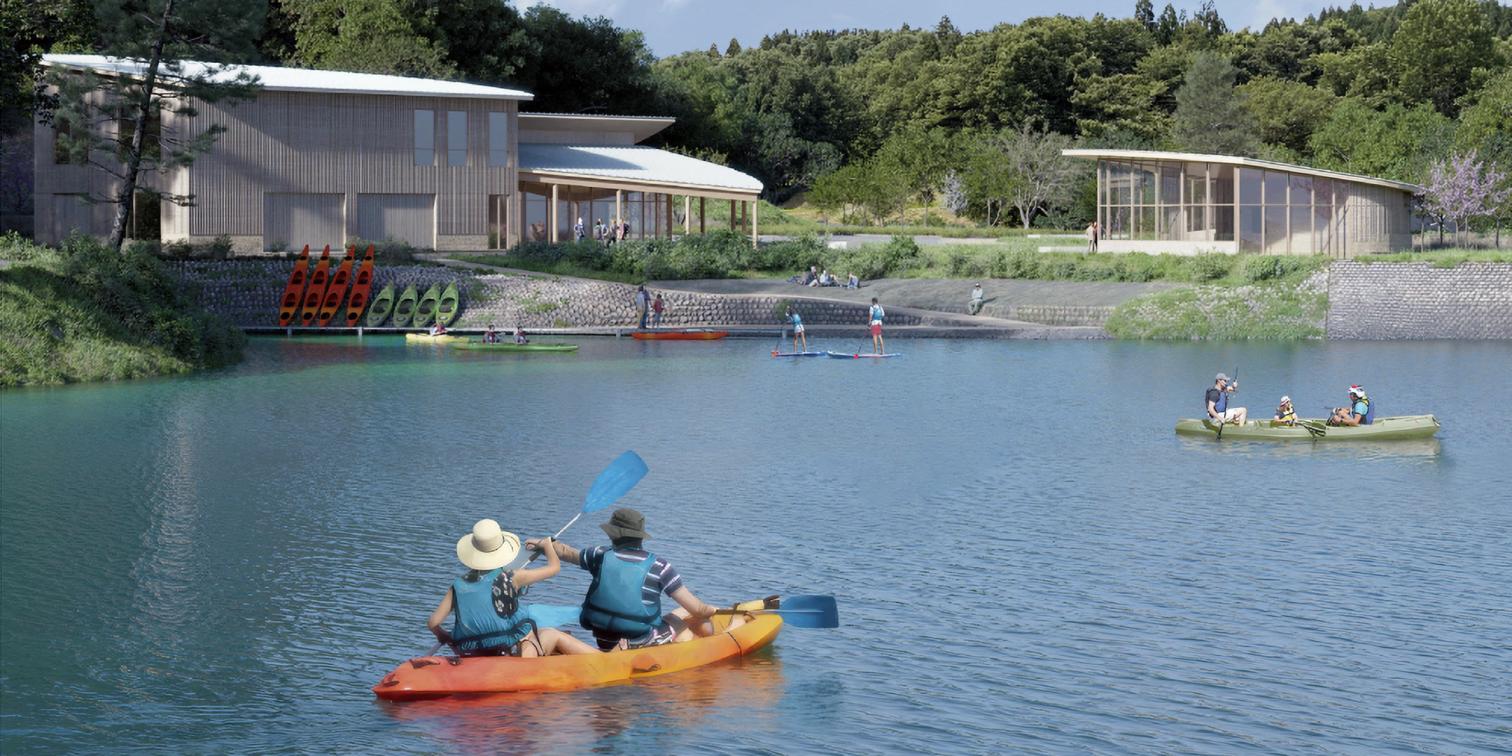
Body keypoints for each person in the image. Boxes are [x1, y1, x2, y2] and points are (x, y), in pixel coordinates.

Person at [529, 508, 741, 651]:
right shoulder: (660, 567)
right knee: (688, 623)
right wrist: (709, 611)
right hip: (636, 641)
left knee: (680, 615)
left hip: (603, 639)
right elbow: (697, 609)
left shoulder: (599, 555)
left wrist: (544, 544)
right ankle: (713, 645)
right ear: (640, 537)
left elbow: (566, 552)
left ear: (613, 535)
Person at [427, 519, 598, 658]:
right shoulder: (513, 576)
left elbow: (433, 622)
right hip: (506, 650)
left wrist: (442, 635)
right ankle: (606, 661)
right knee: (553, 634)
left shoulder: (458, 586)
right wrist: (546, 545)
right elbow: (554, 568)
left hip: (470, 653)